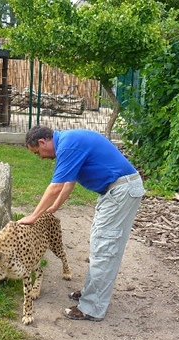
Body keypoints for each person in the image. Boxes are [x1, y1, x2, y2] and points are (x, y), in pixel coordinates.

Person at [18, 125, 145, 321]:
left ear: (43, 142)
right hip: (116, 191)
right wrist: (54, 207)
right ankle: (90, 293)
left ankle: (91, 308)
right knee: (99, 244)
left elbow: (56, 186)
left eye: (38, 152)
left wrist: (34, 216)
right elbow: (69, 182)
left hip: (121, 192)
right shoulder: (68, 142)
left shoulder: (68, 145)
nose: (41, 157)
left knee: (105, 247)